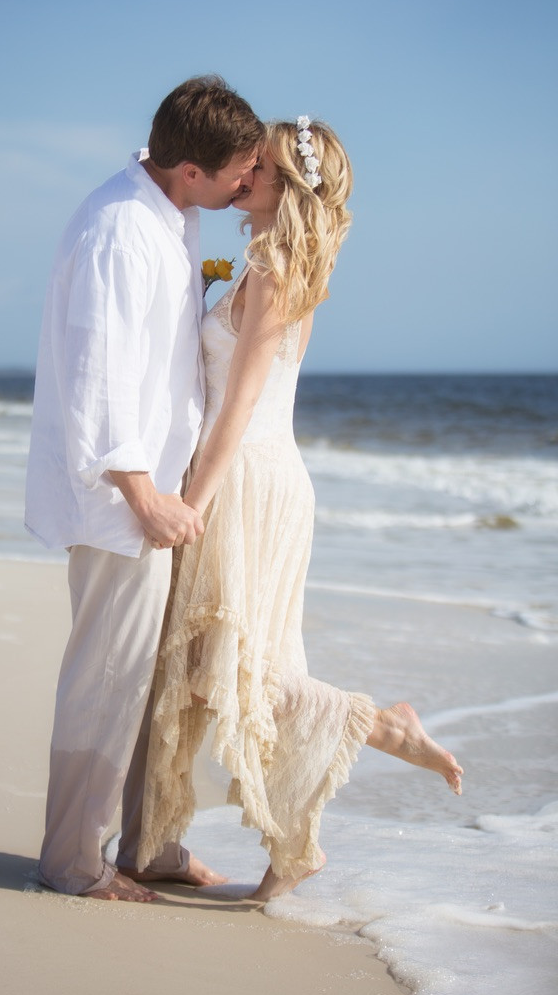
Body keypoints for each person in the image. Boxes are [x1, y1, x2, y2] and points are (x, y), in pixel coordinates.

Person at [136, 118, 463, 902]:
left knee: (248, 672)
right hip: (253, 474)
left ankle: (385, 730)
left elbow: (240, 407)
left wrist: (190, 503)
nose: (241, 174)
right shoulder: (254, 261)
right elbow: (209, 314)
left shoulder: (280, 270)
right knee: (215, 670)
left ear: (289, 189)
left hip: (248, 478)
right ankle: (242, 847)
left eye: (260, 168)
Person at [25, 76, 264, 901]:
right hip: (121, 500)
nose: (250, 180)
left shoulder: (174, 215)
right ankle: (71, 864)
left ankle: (142, 844)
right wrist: (142, 491)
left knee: (144, 680)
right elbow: (96, 375)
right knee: (106, 678)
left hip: (155, 490)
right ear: (191, 169)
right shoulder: (121, 230)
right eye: (242, 169)